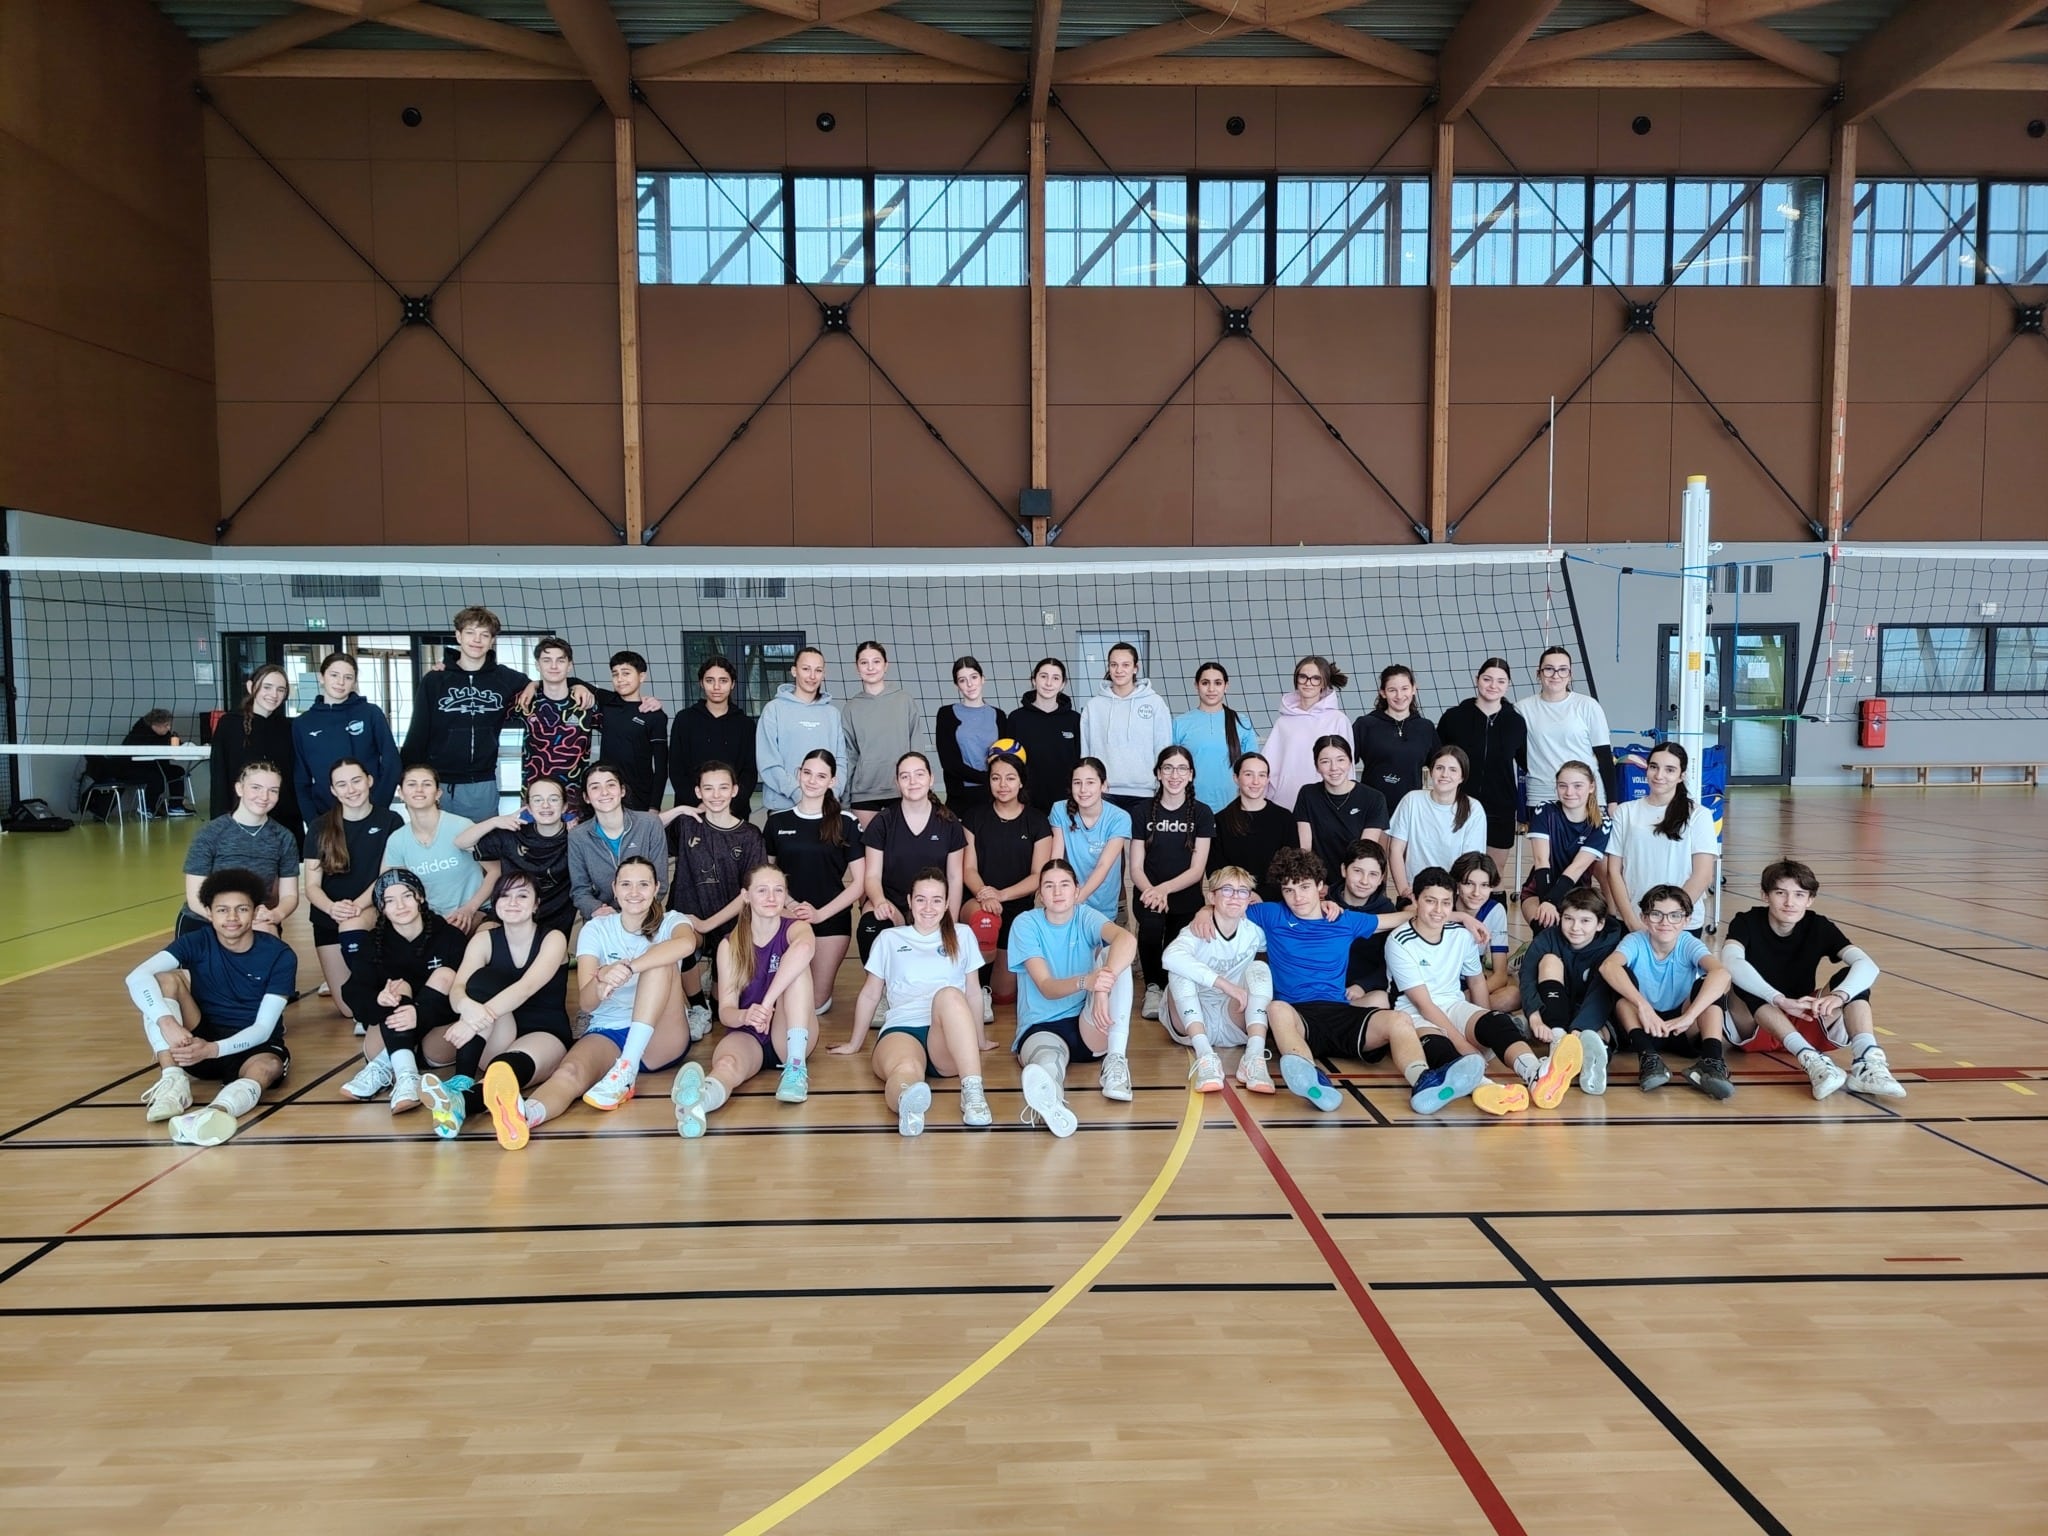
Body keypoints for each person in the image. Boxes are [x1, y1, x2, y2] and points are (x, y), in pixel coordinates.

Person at [482, 857, 698, 1143]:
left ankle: (626, 1068)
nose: (634, 892)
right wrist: (601, 980)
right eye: (626, 884)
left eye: (643, 884)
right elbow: (586, 1002)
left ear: (657, 888)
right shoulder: (596, 929)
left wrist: (629, 967)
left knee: (660, 963)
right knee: (569, 1072)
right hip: (609, 1030)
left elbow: (687, 944)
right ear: (614, 888)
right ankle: (525, 1115)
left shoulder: (672, 921)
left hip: (661, 1035)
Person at [1239, 847, 1427, 1113]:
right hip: (1298, 1018)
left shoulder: (1344, 920)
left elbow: (1406, 917)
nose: (1297, 897)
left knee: (1399, 1019)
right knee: (1276, 1008)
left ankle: (1423, 1081)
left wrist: (1458, 915)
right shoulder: (1271, 914)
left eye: (1304, 887)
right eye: (1289, 890)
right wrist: (1204, 912)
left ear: (1320, 886)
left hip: (1340, 1011)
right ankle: (1312, 1080)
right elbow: (1225, 910)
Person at [1389, 868, 1579, 1118]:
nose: (1438, 910)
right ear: (1415, 900)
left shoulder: (1460, 935)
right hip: (1414, 1014)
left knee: (1497, 1022)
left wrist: (1484, 1025)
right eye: (1430, 901)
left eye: (1445, 902)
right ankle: (1487, 1089)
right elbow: (1424, 1005)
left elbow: (1477, 982)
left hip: (1453, 1004)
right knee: (1441, 1048)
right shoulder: (1399, 941)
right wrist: (1464, 1045)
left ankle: (1536, 1074)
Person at [130, 869, 297, 1145]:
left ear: (256, 912)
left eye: (241, 909)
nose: (232, 918)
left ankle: (215, 1113)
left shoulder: (279, 954)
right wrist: (166, 1022)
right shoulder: (197, 941)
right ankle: (173, 1082)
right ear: (209, 913)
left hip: (251, 1046)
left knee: (268, 1067)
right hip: (197, 1044)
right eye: (222, 910)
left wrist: (212, 1049)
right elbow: (136, 977)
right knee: (163, 981)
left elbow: (263, 1027)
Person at [1722, 859, 1904, 1101]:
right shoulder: (1746, 922)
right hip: (1756, 1025)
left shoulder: (1818, 925)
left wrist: (1840, 996)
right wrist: (1777, 999)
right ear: (1765, 895)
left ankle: (1867, 1061)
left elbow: (1867, 965)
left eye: (1799, 895)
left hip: (1805, 1017)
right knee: (1744, 980)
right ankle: (1810, 1059)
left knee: (1849, 978)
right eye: (1780, 893)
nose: (1789, 902)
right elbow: (1730, 961)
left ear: (1809, 900)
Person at [830, 869, 993, 1135]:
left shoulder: (962, 935)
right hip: (902, 1029)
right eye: (921, 899)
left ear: (947, 903)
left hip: (947, 1037)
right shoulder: (889, 939)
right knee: (906, 1071)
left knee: (950, 995)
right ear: (909, 901)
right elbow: (870, 994)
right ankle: (908, 1107)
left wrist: (980, 1039)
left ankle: (973, 1094)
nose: (928, 907)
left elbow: (974, 993)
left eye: (936, 900)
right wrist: (854, 1043)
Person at [404, 605, 594, 824]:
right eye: (470, 633)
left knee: (482, 843)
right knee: (433, 840)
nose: (477, 640)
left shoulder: (507, 679)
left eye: (484, 635)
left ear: (492, 640)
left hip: (481, 783)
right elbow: (417, 732)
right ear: (458, 636)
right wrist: (408, 779)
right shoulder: (435, 680)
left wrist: (574, 684)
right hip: (436, 782)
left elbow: (552, 681)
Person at [421, 871, 574, 1143]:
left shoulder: (553, 938)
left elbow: (526, 987)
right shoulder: (483, 940)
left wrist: (471, 1022)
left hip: (544, 1032)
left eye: (522, 895)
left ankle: (460, 1103)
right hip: (497, 1030)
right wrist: (468, 1011)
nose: (512, 902)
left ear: (536, 904)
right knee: (481, 982)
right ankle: (462, 1079)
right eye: (505, 896)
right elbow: (457, 989)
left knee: (502, 1071)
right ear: (495, 903)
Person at [672, 863, 817, 1136]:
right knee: (726, 1065)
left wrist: (766, 1004)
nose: (771, 897)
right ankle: (699, 1103)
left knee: (797, 968)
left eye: (778, 890)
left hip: (787, 1031)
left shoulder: (796, 929)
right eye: (762, 890)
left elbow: (806, 948)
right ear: (746, 896)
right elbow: (726, 1010)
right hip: (749, 1031)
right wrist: (746, 1015)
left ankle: (796, 1070)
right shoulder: (730, 944)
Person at [1008, 860, 1139, 1133]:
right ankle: (1052, 1103)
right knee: (1048, 1063)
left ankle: (1115, 1061)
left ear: (1077, 891)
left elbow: (1127, 939)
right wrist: (1088, 981)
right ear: (1040, 894)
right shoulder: (1025, 923)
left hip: (1088, 1024)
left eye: (1064, 885)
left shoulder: (1085, 916)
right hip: (1042, 1026)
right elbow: (1046, 986)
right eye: (1049, 886)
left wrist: (1101, 988)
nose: (1057, 892)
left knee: (1114, 956)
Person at [337, 868, 468, 1114]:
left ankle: (387, 1066)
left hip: (436, 1039)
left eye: (407, 896)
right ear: (381, 908)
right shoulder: (373, 943)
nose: (400, 906)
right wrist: (379, 999)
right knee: (397, 986)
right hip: (389, 1035)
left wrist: (419, 1014)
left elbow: (468, 993)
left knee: (445, 975)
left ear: (420, 897)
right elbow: (353, 992)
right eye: (390, 900)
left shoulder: (450, 936)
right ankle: (406, 1075)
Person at [1599, 885, 1735, 1100]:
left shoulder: (1688, 943)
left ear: (1686, 920)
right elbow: (1608, 967)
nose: (1665, 922)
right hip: (1643, 1025)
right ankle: (1648, 1058)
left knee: (1709, 985)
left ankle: (1712, 1061)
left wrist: (1689, 1016)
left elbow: (1722, 974)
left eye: (1674, 916)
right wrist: (1643, 1006)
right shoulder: (1635, 941)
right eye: (1656, 914)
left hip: (1681, 1027)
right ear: (1644, 918)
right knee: (1622, 981)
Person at [669, 760, 769, 1033]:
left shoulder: (749, 835)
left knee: (721, 1006)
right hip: (689, 916)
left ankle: (712, 995)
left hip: (730, 922)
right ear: (698, 792)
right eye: (708, 788)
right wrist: (679, 809)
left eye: (723, 788)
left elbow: (750, 892)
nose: (716, 795)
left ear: (735, 790)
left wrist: (708, 924)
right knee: (681, 942)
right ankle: (697, 1006)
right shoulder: (687, 824)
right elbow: (642, 826)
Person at [302, 757, 403, 1024]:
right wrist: (332, 908)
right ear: (333, 790)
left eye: (356, 781)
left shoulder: (390, 821)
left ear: (369, 781)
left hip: (372, 911)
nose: (351, 789)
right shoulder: (320, 827)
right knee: (349, 1009)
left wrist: (356, 906)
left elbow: (386, 876)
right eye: (342, 784)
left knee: (354, 929)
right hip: (329, 918)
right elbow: (311, 886)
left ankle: (378, 1000)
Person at [765, 749, 864, 1018]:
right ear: (798, 774)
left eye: (821, 776)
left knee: (814, 1005)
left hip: (829, 920)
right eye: (807, 773)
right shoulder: (777, 821)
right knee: (782, 999)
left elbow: (859, 884)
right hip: (785, 916)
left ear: (832, 781)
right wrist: (790, 905)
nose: (812, 780)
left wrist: (819, 914)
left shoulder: (846, 822)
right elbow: (767, 875)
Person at [1160, 866, 1276, 1094]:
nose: (1235, 897)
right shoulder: (1197, 929)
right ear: (1212, 897)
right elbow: (1169, 957)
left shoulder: (1255, 932)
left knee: (1260, 968)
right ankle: (1205, 1056)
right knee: (1179, 970)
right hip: (1194, 1019)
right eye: (1227, 890)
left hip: (1233, 1017)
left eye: (1242, 891)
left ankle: (1253, 1057)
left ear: (1249, 899)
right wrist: (1225, 985)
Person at [963, 750, 1054, 1014]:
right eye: (996, 778)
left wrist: (1001, 895)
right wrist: (985, 894)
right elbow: (968, 868)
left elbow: (1038, 875)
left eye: (1010, 778)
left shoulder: (1037, 821)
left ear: (1021, 782)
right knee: (986, 920)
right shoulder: (974, 817)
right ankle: (979, 990)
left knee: (1005, 995)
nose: (1003, 785)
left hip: (1015, 906)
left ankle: (990, 986)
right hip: (979, 901)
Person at [1131, 745, 1213, 1023]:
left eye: (1181, 769)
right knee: (1152, 928)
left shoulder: (1202, 813)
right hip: (1148, 892)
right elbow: (1135, 867)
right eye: (1168, 768)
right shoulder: (1142, 811)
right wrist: (1152, 892)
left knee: (1178, 947)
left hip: (1184, 896)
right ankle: (1153, 987)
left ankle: (1172, 988)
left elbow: (1197, 870)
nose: (1174, 775)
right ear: (1158, 773)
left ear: (1191, 775)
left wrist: (1164, 889)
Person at [1604, 741, 1718, 935]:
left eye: (1670, 770)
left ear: (1681, 776)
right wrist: (1631, 920)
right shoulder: (1625, 812)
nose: (1659, 775)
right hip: (1634, 921)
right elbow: (1613, 871)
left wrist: (1671, 918)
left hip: (1681, 924)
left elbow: (1703, 875)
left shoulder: (1699, 815)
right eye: (1654, 767)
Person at [1520, 886, 1623, 1096]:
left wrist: (1579, 1028)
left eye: (1585, 921)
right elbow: (1527, 977)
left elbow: (1601, 996)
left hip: (1595, 1011)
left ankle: (1595, 1058)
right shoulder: (1548, 937)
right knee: (1549, 960)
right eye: (1568, 919)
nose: (1576, 927)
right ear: (1560, 917)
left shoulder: (1612, 946)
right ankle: (1558, 1042)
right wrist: (1535, 1017)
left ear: (1600, 924)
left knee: (1593, 1033)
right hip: (1557, 1007)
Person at [179, 761, 299, 940]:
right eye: (256, 788)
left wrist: (276, 914)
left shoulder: (284, 837)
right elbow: (195, 898)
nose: (264, 796)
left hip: (253, 920)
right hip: (205, 919)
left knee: (266, 933)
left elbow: (290, 895)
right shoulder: (210, 833)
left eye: (273, 790)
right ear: (239, 789)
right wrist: (231, 919)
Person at [862, 752, 967, 935]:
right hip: (892, 903)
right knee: (871, 927)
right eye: (905, 776)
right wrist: (880, 902)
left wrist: (951, 921)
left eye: (919, 774)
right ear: (897, 782)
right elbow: (872, 876)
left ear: (931, 779)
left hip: (932, 906)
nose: (913, 782)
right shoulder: (882, 822)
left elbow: (955, 878)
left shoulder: (949, 823)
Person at [1436, 658, 1527, 869]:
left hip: (1501, 807)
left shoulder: (1516, 722)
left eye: (1501, 681)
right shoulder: (1454, 717)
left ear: (1508, 684)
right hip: (1458, 804)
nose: (1493, 685)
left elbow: (1526, 762)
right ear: (1477, 679)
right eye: (1487, 679)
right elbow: (1436, 758)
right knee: (1457, 869)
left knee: (1493, 872)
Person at [383, 763, 495, 934]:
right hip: (430, 919)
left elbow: (495, 871)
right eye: (412, 784)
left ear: (438, 793)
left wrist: (470, 909)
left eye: (426, 784)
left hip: (476, 912)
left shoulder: (461, 826)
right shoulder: (396, 840)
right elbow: (396, 886)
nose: (419, 789)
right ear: (401, 793)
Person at [458, 775, 576, 935]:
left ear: (564, 807)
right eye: (537, 800)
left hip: (554, 919)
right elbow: (462, 842)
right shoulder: (514, 833)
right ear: (529, 808)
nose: (545, 805)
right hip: (509, 913)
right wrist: (495, 821)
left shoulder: (576, 838)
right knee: (483, 937)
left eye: (553, 799)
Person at [293, 651, 400, 818]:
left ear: (354, 682)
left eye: (348, 677)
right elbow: (301, 779)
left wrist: (378, 808)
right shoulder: (303, 723)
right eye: (334, 675)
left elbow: (392, 763)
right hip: (325, 815)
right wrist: (312, 819)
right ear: (321, 677)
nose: (340, 682)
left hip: (369, 811)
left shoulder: (371, 713)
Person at [568, 761, 673, 921]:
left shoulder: (650, 824)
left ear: (622, 790)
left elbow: (660, 883)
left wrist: (630, 914)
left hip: (644, 916)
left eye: (611, 785)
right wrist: (597, 910)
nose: (604, 792)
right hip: (602, 919)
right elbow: (580, 890)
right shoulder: (578, 836)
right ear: (586, 797)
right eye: (595, 787)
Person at [211, 664, 301, 843]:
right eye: (267, 687)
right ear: (251, 687)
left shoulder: (289, 727)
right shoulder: (229, 724)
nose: (274, 694)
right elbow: (219, 777)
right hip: (240, 820)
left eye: (280, 689)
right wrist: (220, 824)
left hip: (283, 821)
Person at [1080, 642, 1170, 821]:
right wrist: (1090, 784)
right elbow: (1086, 752)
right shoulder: (1094, 706)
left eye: (1125, 665)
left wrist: (1161, 786)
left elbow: (1164, 749)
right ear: (1108, 667)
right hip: (1104, 792)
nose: (1119, 670)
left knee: (1137, 841)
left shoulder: (1155, 703)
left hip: (1144, 793)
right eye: (1114, 665)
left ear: (1135, 668)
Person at [1521, 646, 1617, 810]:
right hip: (1542, 796)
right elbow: (1519, 754)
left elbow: (1604, 756)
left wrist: (1612, 802)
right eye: (1549, 669)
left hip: (1586, 798)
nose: (1556, 675)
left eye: (1563, 670)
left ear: (1570, 675)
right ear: (1538, 674)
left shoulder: (1588, 706)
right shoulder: (1522, 709)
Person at [1387, 745, 1486, 900]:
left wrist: (1449, 898)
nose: (1445, 774)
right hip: (1415, 894)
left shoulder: (1473, 809)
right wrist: (1405, 892)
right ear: (1431, 771)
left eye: (1453, 770)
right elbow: (1395, 850)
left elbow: (1470, 862)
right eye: (1439, 768)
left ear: (1462, 777)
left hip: (1454, 896)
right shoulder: (1412, 800)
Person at [841, 641, 926, 823]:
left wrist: (923, 791)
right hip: (864, 794)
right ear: (857, 668)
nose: (870, 667)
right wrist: (845, 801)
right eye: (864, 662)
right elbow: (849, 757)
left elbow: (917, 751)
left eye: (876, 661)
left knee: (902, 842)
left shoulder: (904, 701)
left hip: (901, 791)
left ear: (886, 665)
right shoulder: (851, 708)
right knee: (868, 842)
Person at [757, 645, 845, 814]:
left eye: (818, 670)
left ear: (823, 674)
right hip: (783, 808)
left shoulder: (832, 714)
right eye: (806, 669)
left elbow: (840, 761)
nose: (812, 676)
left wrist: (830, 795)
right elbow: (768, 762)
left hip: (824, 808)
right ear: (794, 671)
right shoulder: (773, 710)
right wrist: (798, 794)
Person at [1521, 760, 1609, 929]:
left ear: (1591, 787)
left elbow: (1577, 867)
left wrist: (1551, 901)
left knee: (1573, 934)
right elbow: (1541, 860)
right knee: (1544, 925)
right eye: (1563, 786)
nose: (1569, 792)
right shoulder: (1545, 811)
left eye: (1577, 786)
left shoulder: (1601, 823)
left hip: (1578, 895)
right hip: (1539, 890)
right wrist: (1546, 902)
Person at [1293, 734, 1389, 889]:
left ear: (1350, 762)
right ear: (1317, 766)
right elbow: (1305, 850)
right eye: (1325, 761)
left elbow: (1364, 854)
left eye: (1340, 760)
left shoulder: (1374, 798)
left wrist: (1340, 891)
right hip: (1319, 884)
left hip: (1357, 884)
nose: (1334, 768)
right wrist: (1315, 884)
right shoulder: (1307, 794)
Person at [516, 636, 597, 815]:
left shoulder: (587, 702)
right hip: (534, 796)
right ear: (537, 665)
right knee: (530, 834)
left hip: (574, 798)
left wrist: (647, 703)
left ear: (569, 665)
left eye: (560, 660)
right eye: (547, 660)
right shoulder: (525, 700)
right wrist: (533, 684)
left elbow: (623, 710)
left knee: (577, 834)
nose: (554, 666)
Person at [670, 654, 757, 814]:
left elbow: (749, 772)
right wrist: (698, 804)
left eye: (723, 681)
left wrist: (731, 805)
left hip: (733, 812)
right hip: (692, 810)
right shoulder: (684, 719)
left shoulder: (745, 724)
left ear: (732, 684)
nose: (716, 687)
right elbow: (676, 769)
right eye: (710, 680)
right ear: (701, 683)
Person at [1261, 655, 1349, 814]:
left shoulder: (1338, 720)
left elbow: (1347, 767)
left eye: (1316, 678)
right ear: (1296, 680)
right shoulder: (1283, 722)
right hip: (1285, 803)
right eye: (1303, 677)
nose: (1308, 683)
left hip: (1324, 805)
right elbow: (1268, 765)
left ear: (1324, 683)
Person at [1049, 757, 1131, 923]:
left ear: (1103, 785)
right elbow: (1056, 860)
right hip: (1067, 900)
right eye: (1077, 783)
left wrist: (1078, 898)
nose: (1083, 789)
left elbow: (1104, 865)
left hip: (1103, 904)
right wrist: (1059, 896)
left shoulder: (1119, 818)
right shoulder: (1059, 810)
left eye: (1090, 782)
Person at [1173, 662, 1259, 815]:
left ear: (1226, 686)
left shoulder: (1242, 723)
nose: (1211, 689)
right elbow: (1170, 767)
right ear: (1196, 686)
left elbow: (1253, 768)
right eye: (1205, 683)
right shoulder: (1180, 723)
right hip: (1190, 808)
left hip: (1233, 809)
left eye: (1218, 683)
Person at [1209, 752, 1295, 905]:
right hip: (1234, 902)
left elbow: (1292, 865)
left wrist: (1263, 895)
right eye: (1248, 774)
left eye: (1262, 775)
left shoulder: (1284, 818)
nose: (1256, 781)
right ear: (1236, 778)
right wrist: (1241, 894)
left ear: (1267, 779)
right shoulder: (1220, 821)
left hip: (1277, 903)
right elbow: (1215, 870)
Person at [593, 650, 669, 813]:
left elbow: (661, 767)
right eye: (615, 674)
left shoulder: (654, 715)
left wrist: (654, 806)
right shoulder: (606, 702)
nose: (620, 679)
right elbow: (572, 682)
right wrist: (536, 684)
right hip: (608, 794)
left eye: (626, 673)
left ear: (642, 676)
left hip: (640, 797)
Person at [1353, 663, 1439, 804]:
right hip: (1371, 807)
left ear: (1414, 689)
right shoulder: (1365, 725)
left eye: (1404, 688)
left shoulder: (1425, 728)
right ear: (1383, 693)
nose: (1399, 696)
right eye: (1392, 690)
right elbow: (1344, 763)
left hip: (1410, 807)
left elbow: (1439, 767)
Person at [1006, 657, 1082, 816]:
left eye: (1056, 678)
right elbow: (1009, 763)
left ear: (1063, 684)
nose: (1049, 683)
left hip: (1065, 804)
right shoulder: (1016, 719)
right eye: (1043, 676)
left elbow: (1080, 762)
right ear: (1034, 680)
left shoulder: (1074, 720)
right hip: (1025, 803)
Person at [935, 655, 1005, 817]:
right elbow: (949, 763)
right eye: (962, 680)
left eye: (974, 677)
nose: (970, 684)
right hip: (960, 799)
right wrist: (988, 778)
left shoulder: (999, 716)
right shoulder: (946, 714)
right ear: (956, 684)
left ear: (982, 679)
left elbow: (1004, 759)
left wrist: (995, 781)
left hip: (993, 796)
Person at [1335, 839, 1400, 1010]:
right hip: (1326, 987)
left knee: (1381, 1000)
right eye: (1357, 871)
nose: (1364, 881)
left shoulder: (1388, 911)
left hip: (1363, 992)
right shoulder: (1326, 904)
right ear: (1344, 870)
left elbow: (1392, 962)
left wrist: (1363, 985)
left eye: (1373, 874)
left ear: (1381, 879)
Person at [1450, 851, 1518, 1011]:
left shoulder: (1495, 911)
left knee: (1513, 995)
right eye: (1469, 883)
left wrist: (1467, 996)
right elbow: (1414, 915)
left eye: (1484, 885)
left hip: (1472, 985)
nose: (1476, 892)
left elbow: (1500, 975)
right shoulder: (1444, 905)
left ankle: (1459, 1010)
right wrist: (1459, 917)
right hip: (1441, 984)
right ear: (1457, 884)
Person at [117, 708, 193, 815]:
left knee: (177, 771)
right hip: (132, 768)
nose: (169, 728)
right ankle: (146, 807)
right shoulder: (139, 734)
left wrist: (185, 746)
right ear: (155, 724)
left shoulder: (165, 734)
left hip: (155, 767)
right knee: (156, 778)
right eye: (166, 725)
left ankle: (176, 806)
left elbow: (175, 745)